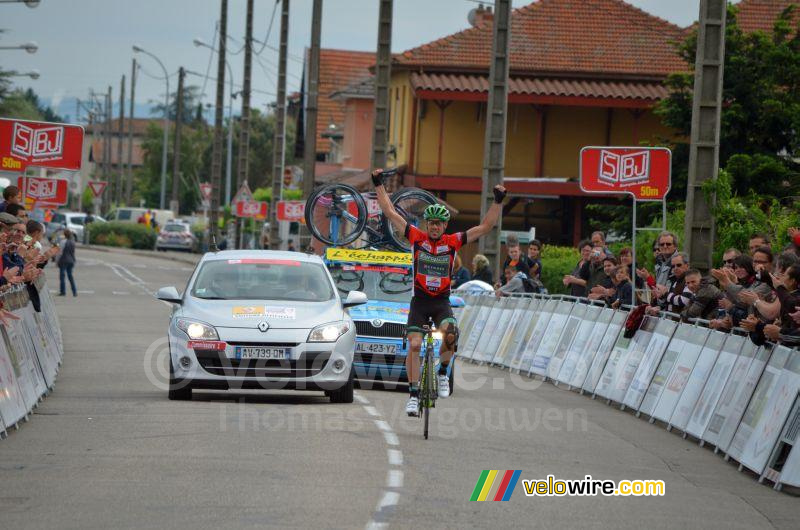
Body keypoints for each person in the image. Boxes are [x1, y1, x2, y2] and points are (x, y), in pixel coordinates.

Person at [372, 168, 505, 416]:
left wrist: (497, 201)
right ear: (426, 224)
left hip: (441, 302)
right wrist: (378, 183)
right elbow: (390, 212)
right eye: (431, 223)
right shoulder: (417, 238)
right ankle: (412, 396)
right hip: (420, 303)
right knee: (413, 345)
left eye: (439, 223)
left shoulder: (453, 242)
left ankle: (443, 374)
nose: (435, 227)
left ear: (445, 225)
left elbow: (486, 226)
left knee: (451, 334)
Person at [57, 228, 77, 297]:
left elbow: (60, 252)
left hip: (64, 260)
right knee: (70, 276)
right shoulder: (73, 242)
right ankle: (74, 291)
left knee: (62, 276)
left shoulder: (63, 242)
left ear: (64, 235)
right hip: (71, 260)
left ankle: (63, 291)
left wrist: (57, 261)